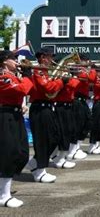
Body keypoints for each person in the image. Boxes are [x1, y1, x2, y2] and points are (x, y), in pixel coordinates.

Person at [26, 47, 66, 183]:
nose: (52, 60)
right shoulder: (38, 71)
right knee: (43, 140)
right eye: (50, 57)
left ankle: (35, 162)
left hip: (47, 108)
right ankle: (39, 171)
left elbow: (52, 90)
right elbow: (48, 88)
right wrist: (61, 82)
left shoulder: (46, 72)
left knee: (54, 138)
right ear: (42, 57)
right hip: (40, 108)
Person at [0, 50, 33, 208]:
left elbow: (20, 91)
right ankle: (4, 195)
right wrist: (27, 76)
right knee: (9, 154)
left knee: (22, 152)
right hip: (5, 117)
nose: (16, 62)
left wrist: (20, 104)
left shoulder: (12, 76)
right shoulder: (3, 76)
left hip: (15, 115)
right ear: (5, 61)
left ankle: (4, 189)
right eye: (13, 59)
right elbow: (22, 90)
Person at [68, 55, 96, 161]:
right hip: (77, 100)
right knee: (78, 125)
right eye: (86, 61)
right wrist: (92, 69)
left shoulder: (82, 70)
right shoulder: (77, 70)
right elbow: (92, 79)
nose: (87, 62)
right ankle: (72, 150)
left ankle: (76, 147)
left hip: (82, 100)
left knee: (87, 123)